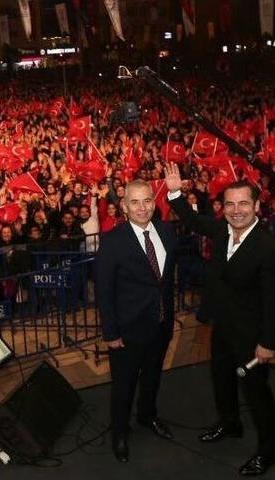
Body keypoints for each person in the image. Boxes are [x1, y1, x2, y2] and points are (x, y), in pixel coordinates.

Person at [165, 164, 275, 476]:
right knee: (221, 379)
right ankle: (230, 423)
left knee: (257, 394)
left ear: (257, 206)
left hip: (252, 336)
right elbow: (193, 220)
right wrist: (176, 191)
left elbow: (274, 301)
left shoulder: (269, 248)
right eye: (230, 204)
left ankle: (268, 451)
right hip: (221, 326)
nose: (236, 211)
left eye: (244, 203)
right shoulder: (221, 230)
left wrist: (268, 343)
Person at [96, 179, 177, 463]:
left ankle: (147, 416)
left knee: (153, 377)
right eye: (135, 202)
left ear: (154, 204)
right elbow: (104, 291)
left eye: (147, 201)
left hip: (162, 325)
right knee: (124, 385)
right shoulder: (112, 241)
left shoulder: (167, 232)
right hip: (127, 332)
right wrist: (110, 332)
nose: (142, 208)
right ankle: (120, 432)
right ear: (124, 207)